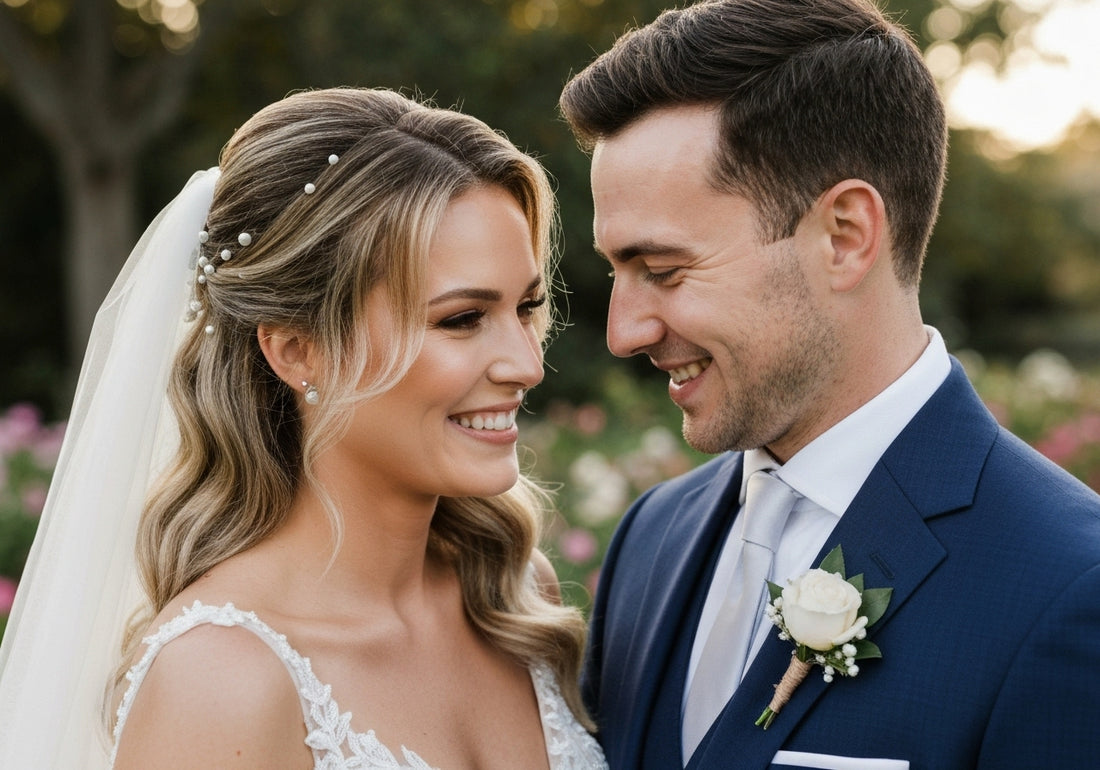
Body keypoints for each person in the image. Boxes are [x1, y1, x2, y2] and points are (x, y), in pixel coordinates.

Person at [558, 0, 1100, 768]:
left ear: (844, 237)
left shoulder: (1069, 588)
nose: (624, 332)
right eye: (618, 271)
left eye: (664, 270)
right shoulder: (652, 535)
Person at [0, 87, 607, 770]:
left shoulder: (517, 600)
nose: (527, 364)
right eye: (462, 319)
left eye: (526, 308)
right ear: (296, 350)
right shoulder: (220, 680)